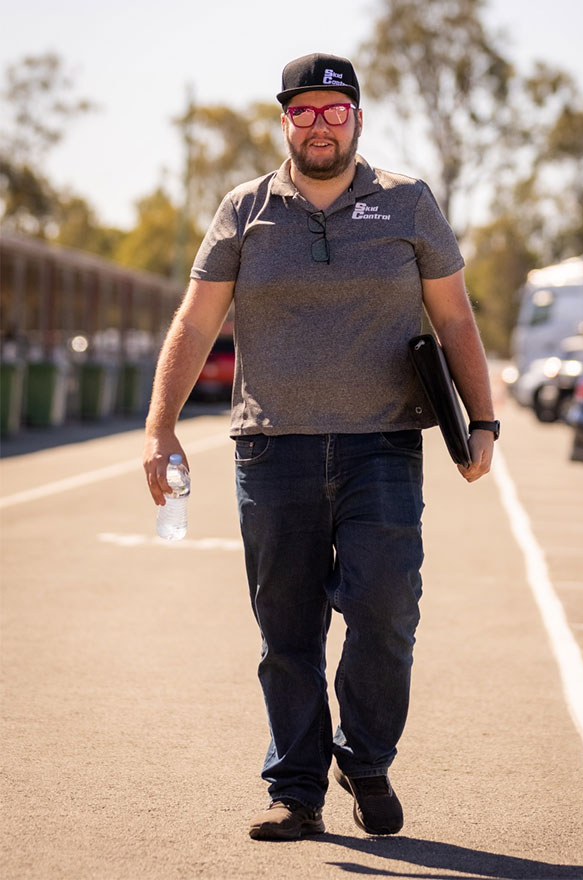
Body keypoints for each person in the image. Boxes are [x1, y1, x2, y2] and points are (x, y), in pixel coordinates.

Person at [143, 52, 499, 842]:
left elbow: (455, 321)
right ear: (284, 123)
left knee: (385, 613)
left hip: (382, 447)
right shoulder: (245, 210)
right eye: (301, 112)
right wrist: (159, 425)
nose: (317, 125)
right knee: (287, 634)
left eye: (332, 111)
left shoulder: (407, 203)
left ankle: (364, 757)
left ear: (358, 119)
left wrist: (483, 421)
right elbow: (196, 323)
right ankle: (295, 790)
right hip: (273, 452)